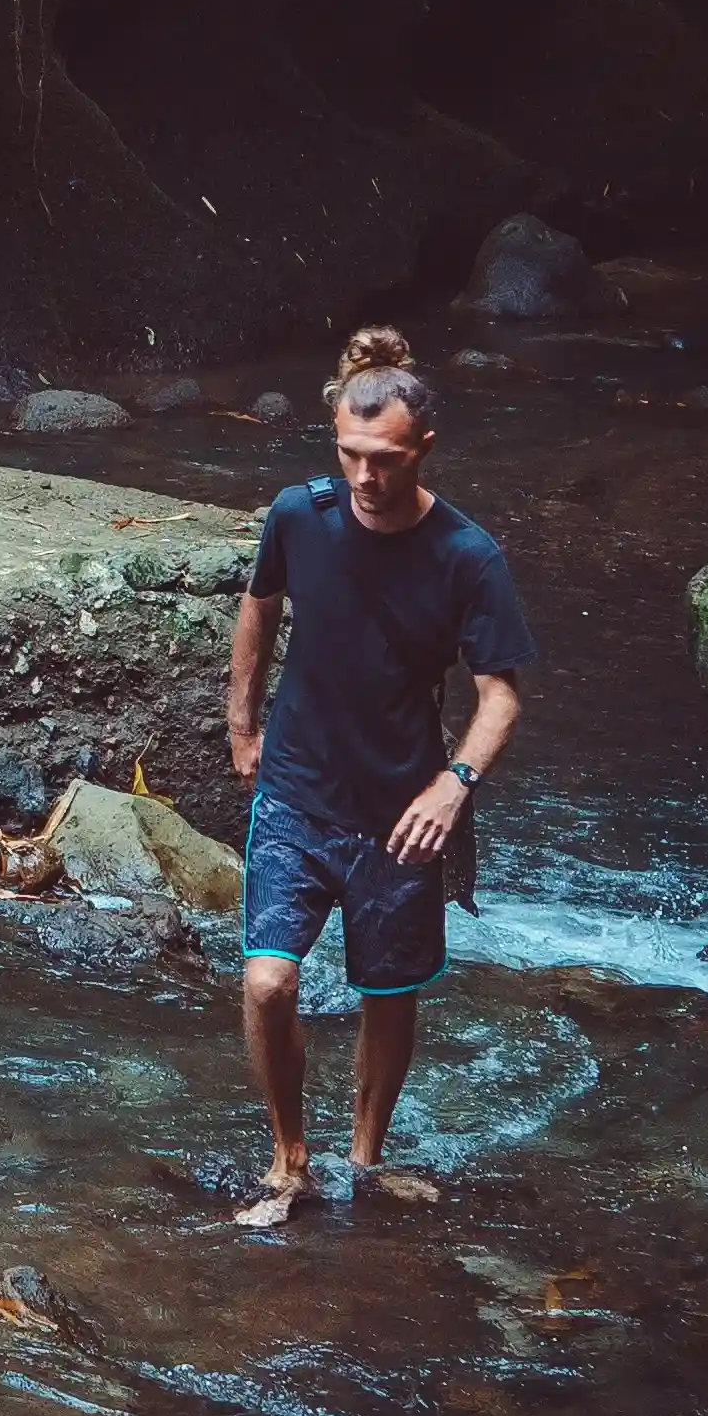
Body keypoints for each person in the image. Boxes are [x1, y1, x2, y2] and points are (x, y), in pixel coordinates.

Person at [222, 325, 533, 1223]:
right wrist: (242, 723)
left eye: (385, 460)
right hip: (296, 790)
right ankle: (289, 1160)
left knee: (386, 994)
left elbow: (502, 695)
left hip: (402, 808)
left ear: (423, 449)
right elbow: (259, 606)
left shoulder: (467, 557)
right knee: (268, 982)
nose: (365, 477)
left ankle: (365, 1159)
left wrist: (455, 783)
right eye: (351, 455)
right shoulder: (298, 515)